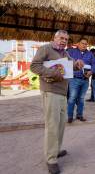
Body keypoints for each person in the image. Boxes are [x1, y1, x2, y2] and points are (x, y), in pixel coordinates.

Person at [30, 30, 84, 174]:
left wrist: (77, 64)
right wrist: (53, 73)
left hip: (62, 93)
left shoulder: (64, 53)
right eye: (61, 38)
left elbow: (70, 64)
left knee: (60, 125)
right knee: (52, 126)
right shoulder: (45, 49)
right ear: (54, 38)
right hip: (50, 92)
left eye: (66, 39)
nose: (64, 41)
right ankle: (51, 159)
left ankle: (56, 150)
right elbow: (34, 66)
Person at [67, 38, 95, 123]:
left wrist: (91, 71)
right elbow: (66, 62)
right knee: (72, 98)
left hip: (85, 80)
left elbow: (94, 64)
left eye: (86, 44)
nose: (84, 45)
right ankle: (70, 116)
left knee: (81, 98)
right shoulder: (71, 52)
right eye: (82, 43)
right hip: (74, 79)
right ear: (78, 44)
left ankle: (79, 115)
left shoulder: (90, 54)